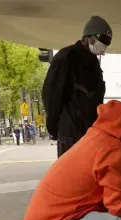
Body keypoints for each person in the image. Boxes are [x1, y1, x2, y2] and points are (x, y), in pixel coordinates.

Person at [42, 15, 112, 157]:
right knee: (70, 177)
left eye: (107, 42)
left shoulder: (94, 63)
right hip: (70, 136)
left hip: (90, 135)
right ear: (89, 37)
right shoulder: (66, 57)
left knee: (87, 177)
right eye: (102, 40)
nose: (104, 45)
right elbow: (51, 95)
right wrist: (53, 128)